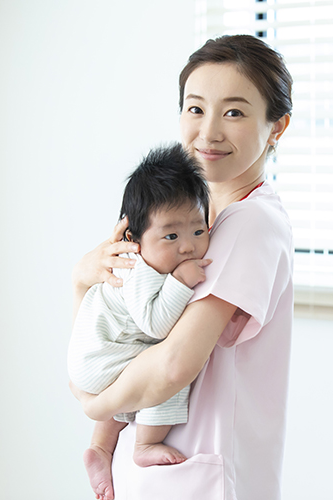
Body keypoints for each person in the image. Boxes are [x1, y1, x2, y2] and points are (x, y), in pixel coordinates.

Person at [70, 34, 293, 500]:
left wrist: (97, 403)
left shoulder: (250, 222)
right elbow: (112, 327)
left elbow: (173, 365)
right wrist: (82, 277)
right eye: (195, 108)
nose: (208, 131)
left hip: (201, 475)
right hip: (154, 466)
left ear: (277, 127)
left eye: (233, 111)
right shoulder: (186, 217)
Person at [68, 144, 213, 479]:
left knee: (131, 375)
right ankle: (145, 445)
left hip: (93, 357)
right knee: (162, 370)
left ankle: (100, 449)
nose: (188, 246)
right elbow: (156, 324)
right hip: (99, 360)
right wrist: (179, 282)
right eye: (171, 235)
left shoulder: (139, 260)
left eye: (198, 229)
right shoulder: (137, 268)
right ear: (133, 237)